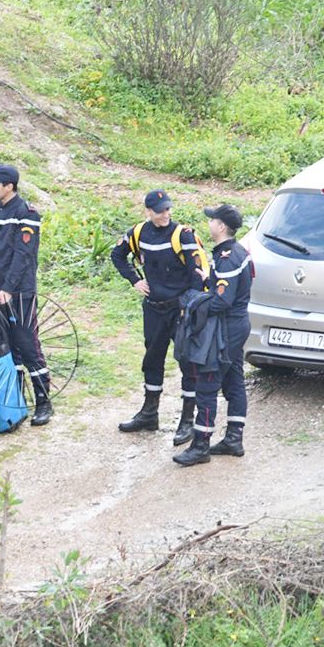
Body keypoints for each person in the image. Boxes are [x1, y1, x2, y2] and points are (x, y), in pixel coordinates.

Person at [111, 189, 208, 443]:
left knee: (187, 361)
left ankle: (187, 420)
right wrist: (135, 280)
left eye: (167, 209)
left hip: (180, 309)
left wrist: (190, 305)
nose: (165, 214)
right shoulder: (138, 232)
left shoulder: (183, 235)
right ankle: (149, 414)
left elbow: (198, 275)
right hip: (153, 308)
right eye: (159, 211)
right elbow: (117, 255)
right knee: (152, 359)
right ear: (148, 212)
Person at [174, 204, 252, 466]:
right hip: (238, 325)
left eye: (212, 221)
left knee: (207, 383)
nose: (208, 224)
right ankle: (233, 439)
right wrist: (210, 278)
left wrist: (195, 302)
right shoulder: (237, 251)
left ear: (221, 227)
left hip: (226, 328)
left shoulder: (228, 256)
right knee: (233, 379)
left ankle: (200, 446)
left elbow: (223, 300)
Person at [0, 164, 53, 426]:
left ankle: (44, 401)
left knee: (28, 344)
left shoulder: (27, 213)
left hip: (19, 291)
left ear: (9, 187)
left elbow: (23, 256)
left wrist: (9, 289)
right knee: (7, 347)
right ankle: (16, 400)